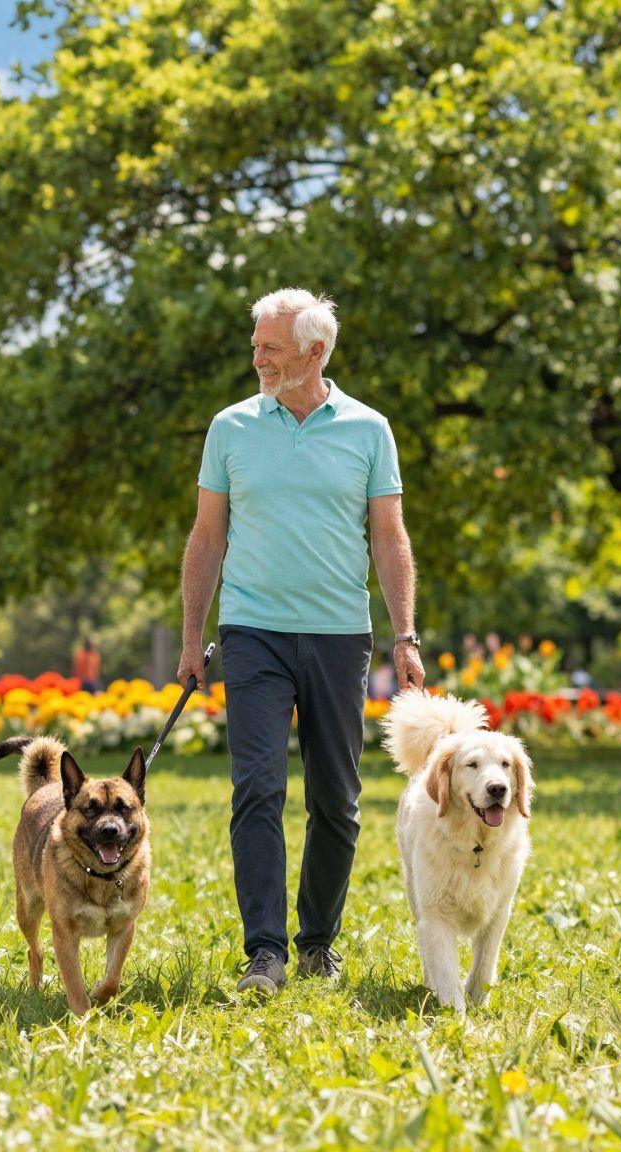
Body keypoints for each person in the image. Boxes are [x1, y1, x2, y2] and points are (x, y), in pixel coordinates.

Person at [178, 288, 422, 996]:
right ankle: (265, 951)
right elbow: (207, 537)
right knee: (256, 786)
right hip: (252, 632)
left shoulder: (369, 430)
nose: (257, 358)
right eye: (256, 345)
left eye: (270, 348)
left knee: (337, 800)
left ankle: (317, 941)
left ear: (314, 353)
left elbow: (389, 536)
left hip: (340, 635)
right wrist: (193, 638)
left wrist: (405, 635)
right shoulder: (230, 428)